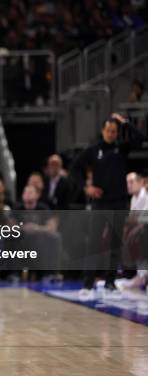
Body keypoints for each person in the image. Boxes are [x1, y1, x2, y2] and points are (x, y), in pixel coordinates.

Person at [72, 113, 145, 298]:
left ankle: (110, 283)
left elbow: (140, 138)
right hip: (100, 202)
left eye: (114, 131)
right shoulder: (94, 150)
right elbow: (75, 168)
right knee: (94, 243)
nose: (111, 134)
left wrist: (124, 122)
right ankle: (88, 284)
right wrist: (86, 188)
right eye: (108, 130)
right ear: (103, 131)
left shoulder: (122, 148)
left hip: (119, 202)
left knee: (115, 243)